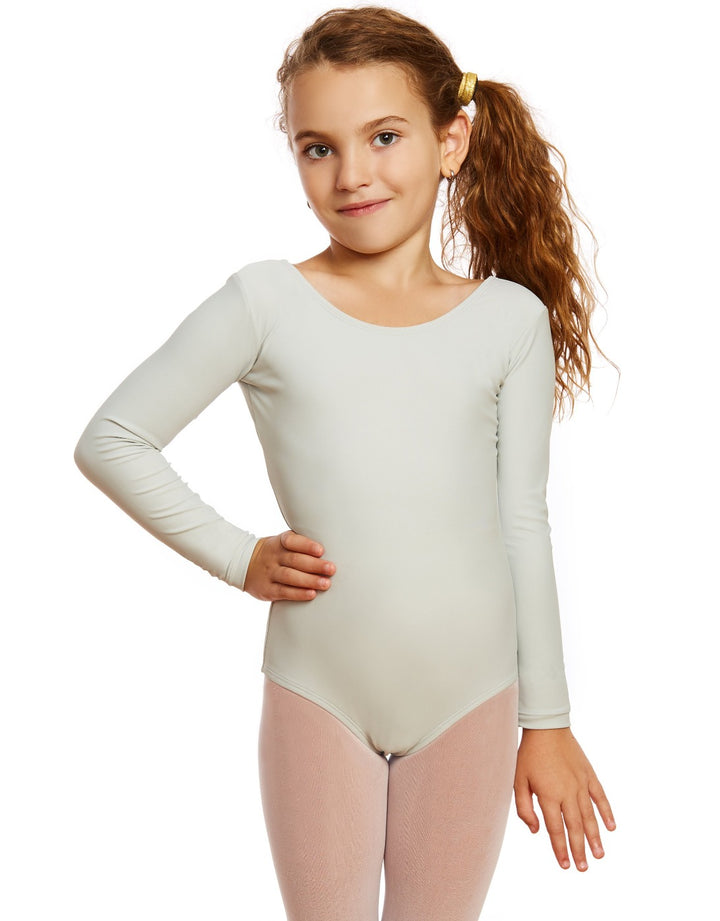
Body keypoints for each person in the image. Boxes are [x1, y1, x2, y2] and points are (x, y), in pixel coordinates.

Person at [74, 6, 616, 920]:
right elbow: (113, 437)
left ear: (452, 141)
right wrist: (238, 555)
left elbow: (523, 521)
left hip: (472, 694)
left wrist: (549, 721)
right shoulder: (267, 302)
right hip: (319, 688)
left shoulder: (508, 320)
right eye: (317, 148)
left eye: (384, 137)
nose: (352, 173)